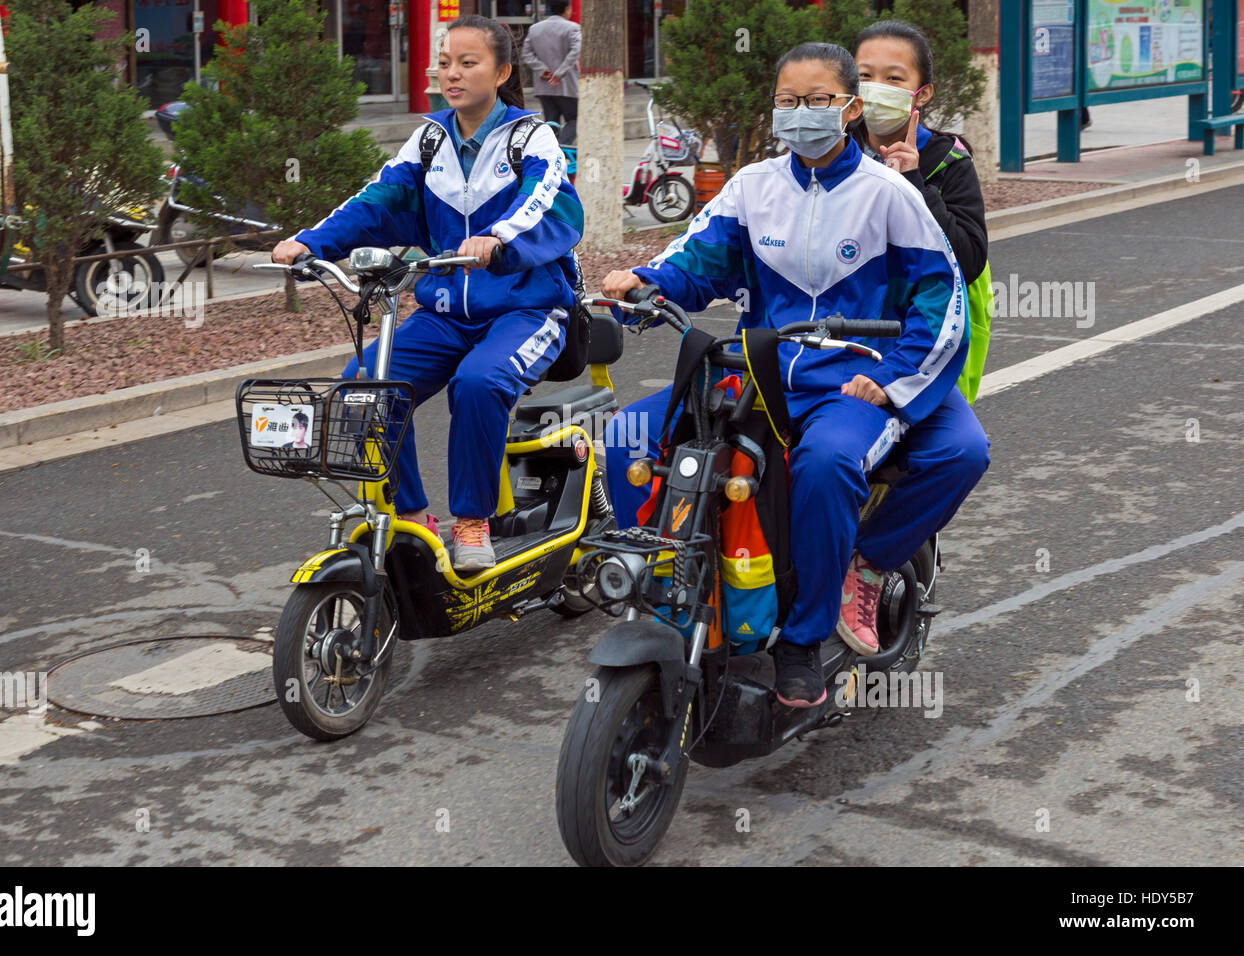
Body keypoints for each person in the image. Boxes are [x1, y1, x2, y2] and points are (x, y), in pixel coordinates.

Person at [601, 42, 988, 708]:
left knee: (829, 463)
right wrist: (647, 281)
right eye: (787, 101)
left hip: (854, 376)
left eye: (817, 101)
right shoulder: (753, 187)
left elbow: (942, 297)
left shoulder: (891, 194)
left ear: (850, 108)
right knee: (630, 432)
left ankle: (804, 637)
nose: (800, 114)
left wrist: (895, 380)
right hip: (764, 367)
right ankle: (672, 587)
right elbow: (699, 260)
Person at [273, 15, 583, 573]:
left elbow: (547, 199)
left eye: (468, 63)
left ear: (503, 71)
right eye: (445, 62)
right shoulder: (430, 137)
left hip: (526, 307)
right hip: (443, 312)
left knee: (479, 382)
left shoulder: (530, 136)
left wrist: (500, 238)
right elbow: (377, 199)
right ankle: (414, 519)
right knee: (367, 384)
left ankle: (472, 520)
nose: (452, 74)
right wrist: (311, 242)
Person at [852, 19, 989, 406]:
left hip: (926, 335)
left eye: (894, 78)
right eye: (865, 75)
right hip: (846, 330)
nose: (877, 88)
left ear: (922, 93)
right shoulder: (836, 154)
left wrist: (913, 181)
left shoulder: (948, 161)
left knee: (947, 449)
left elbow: (969, 260)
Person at [521, 0, 581, 146]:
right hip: (567, 84)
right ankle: (561, 148)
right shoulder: (573, 28)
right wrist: (560, 73)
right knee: (574, 120)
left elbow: (526, 54)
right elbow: (576, 51)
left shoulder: (535, 28)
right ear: (567, 9)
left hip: (544, 85)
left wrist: (542, 69)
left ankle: (551, 152)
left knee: (551, 121)